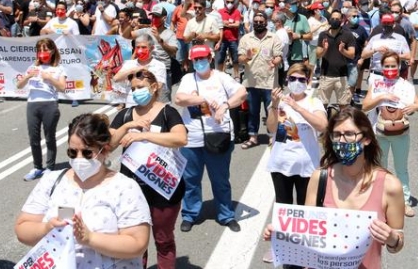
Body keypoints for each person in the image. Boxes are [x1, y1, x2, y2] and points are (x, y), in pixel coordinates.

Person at [265, 107, 405, 266]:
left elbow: (397, 244)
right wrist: (282, 234)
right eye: (337, 135)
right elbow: (307, 236)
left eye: (350, 134)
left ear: (366, 139)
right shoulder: (320, 178)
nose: (342, 141)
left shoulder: (390, 186)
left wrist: (392, 239)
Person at [15, 113, 152, 269]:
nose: (79, 159)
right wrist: (47, 228)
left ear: (105, 150)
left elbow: (138, 243)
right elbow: (22, 229)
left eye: (87, 153)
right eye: (72, 152)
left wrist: (89, 238)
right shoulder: (51, 181)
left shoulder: (125, 187)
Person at [110, 70, 187, 269]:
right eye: (133, 89)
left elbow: (180, 138)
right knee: (136, 243)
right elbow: (108, 144)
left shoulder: (167, 112)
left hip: (163, 187)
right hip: (133, 191)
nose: (136, 92)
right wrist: (127, 127)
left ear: (154, 88)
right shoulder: (125, 115)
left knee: (163, 240)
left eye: (141, 87)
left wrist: (144, 136)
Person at [173, 44, 247, 233]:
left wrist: (224, 105)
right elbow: (179, 99)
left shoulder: (222, 77)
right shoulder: (188, 79)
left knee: (220, 179)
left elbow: (242, 93)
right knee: (191, 180)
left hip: (219, 136)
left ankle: (226, 214)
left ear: (210, 58)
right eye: (196, 60)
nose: (199, 62)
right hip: (193, 138)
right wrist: (202, 99)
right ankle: (190, 214)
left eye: (202, 58)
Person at [263, 63, 328, 263]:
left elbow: (323, 125)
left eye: (301, 79)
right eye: (293, 79)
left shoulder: (314, 102)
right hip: (281, 164)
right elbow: (271, 128)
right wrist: (274, 105)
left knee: (304, 208)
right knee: (283, 207)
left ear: (308, 82)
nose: (297, 83)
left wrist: (297, 107)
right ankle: (280, 248)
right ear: (287, 80)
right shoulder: (279, 101)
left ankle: (303, 249)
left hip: (306, 167)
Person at [362, 52, 418, 217]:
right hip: (379, 133)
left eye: (393, 65)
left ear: (399, 66)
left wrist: (415, 107)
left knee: (401, 169)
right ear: (382, 67)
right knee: (379, 168)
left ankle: (405, 201)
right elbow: (365, 106)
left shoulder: (406, 85)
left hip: (400, 133)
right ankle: (379, 200)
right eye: (386, 66)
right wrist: (382, 96)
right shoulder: (376, 84)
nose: (390, 69)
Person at [16, 38, 67, 181]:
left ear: (52, 51)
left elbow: (62, 87)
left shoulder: (59, 69)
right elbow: (19, 86)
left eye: (45, 49)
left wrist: (50, 78)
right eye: (40, 50)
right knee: (34, 138)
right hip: (33, 104)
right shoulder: (33, 67)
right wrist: (28, 76)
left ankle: (50, 167)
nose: (42, 53)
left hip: (49, 104)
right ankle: (37, 167)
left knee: (49, 137)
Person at [238, 12, 283, 149]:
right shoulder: (246, 38)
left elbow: (279, 56)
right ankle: (253, 137)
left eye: (261, 21)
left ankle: (271, 136)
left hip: (269, 81)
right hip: (252, 81)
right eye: (256, 21)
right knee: (253, 111)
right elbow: (240, 58)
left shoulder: (273, 38)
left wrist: (274, 62)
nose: (258, 23)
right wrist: (247, 57)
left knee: (271, 110)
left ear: (266, 22)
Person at [315, 9, 356, 108]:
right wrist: (324, 49)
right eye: (332, 18)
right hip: (326, 75)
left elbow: (352, 54)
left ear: (342, 20)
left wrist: (343, 51)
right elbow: (317, 54)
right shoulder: (323, 35)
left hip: (341, 76)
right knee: (322, 105)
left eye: (337, 19)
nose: (334, 20)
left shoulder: (347, 35)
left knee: (344, 106)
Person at [114, 34, 168, 106]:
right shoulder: (129, 64)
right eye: (138, 47)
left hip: (150, 106)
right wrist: (134, 70)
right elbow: (116, 78)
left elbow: (158, 86)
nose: (140, 50)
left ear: (152, 48)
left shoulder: (159, 65)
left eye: (143, 47)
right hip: (131, 105)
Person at [216, 0, 242, 79]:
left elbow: (237, 24)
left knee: (235, 59)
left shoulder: (237, 12)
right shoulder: (220, 11)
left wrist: (226, 23)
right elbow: (218, 23)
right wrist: (230, 24)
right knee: (220, 58)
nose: (230, 4)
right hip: (222, 39)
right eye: (228, 2)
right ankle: (220, 75)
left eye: (231, 2)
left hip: (233, 39)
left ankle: (236, 76)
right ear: (225, 2)